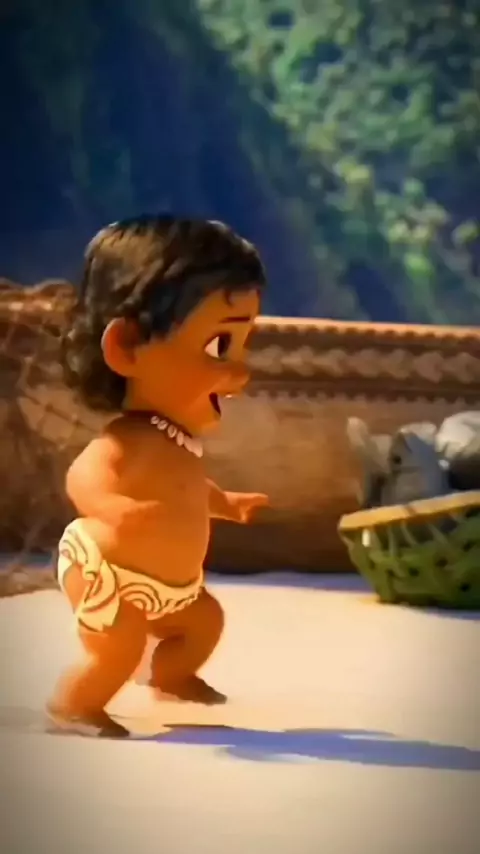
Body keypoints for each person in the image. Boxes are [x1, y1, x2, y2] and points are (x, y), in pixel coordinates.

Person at [48, 215, 269, 737]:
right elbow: (84, 476)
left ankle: (172, 676)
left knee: (204, 622)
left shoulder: (176, 440)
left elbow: (186, 491)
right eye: (219, 347)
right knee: (118, 648)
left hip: (173, 587)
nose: (240, 371)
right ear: (127, 347)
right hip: (109, 572)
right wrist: (113, 509)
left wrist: (225, 503)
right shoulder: (127, 438)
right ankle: (74, 704)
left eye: (243, 346)